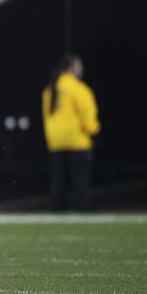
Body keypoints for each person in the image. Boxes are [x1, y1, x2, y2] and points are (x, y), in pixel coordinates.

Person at [42, 54, 100, 211]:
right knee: (79, 179)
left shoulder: (50, 89)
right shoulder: (79, 89)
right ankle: (81, 209)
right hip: (77, 140)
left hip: (56, 141)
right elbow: (88, 114)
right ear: (72, 68)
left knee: (58, 181)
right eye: (78, 66)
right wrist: (93, 131)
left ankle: (57, 209)